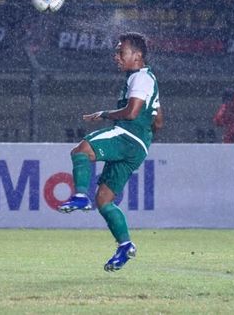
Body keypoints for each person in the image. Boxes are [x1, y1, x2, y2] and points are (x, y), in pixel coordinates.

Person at [58, 32, 164, 272]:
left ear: (137, 56)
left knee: (81, 150)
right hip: (138, 146)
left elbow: (133, 112)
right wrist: (143, 142)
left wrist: (105, 114)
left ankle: (80, 195)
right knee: (105, 200)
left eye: (121, 52)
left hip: (128, 135)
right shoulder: (147, 79)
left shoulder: (140, 77)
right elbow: (158, 122)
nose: (116, 56)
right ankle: (125, 245)